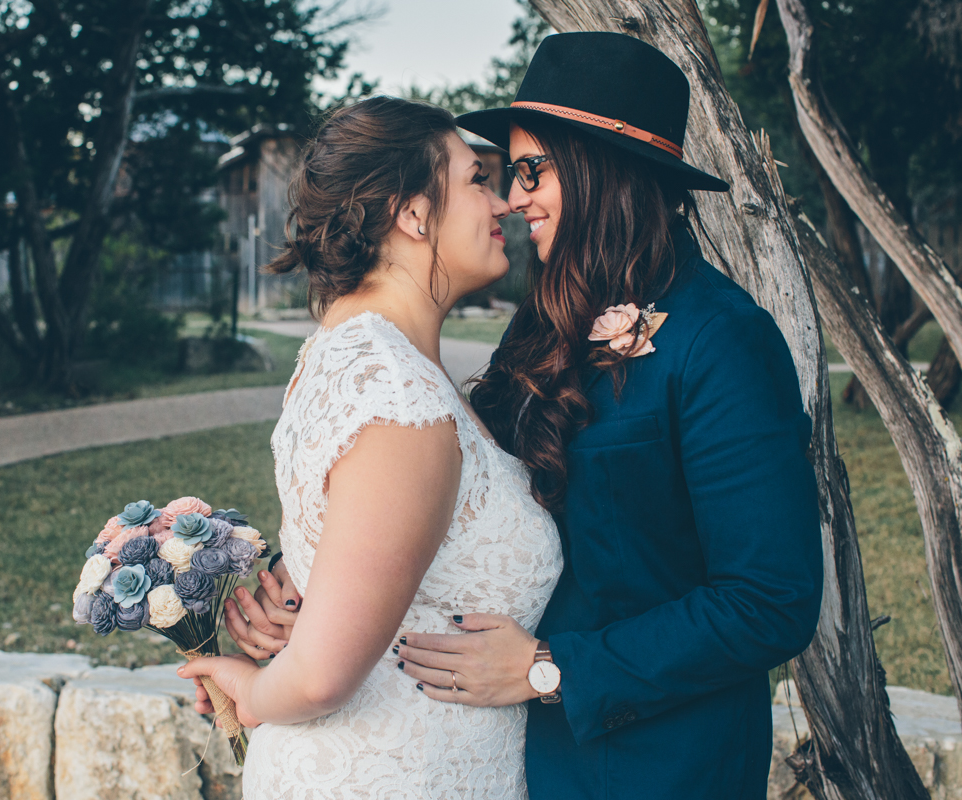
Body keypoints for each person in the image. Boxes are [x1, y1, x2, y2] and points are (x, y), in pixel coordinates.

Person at [226, 34, 823, 799]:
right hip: (515, 762)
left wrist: (552, 669)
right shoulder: (543, 324)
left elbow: (770, 599)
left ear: (604, 168)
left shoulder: (722, 339)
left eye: (531, 170)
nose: (514, 198)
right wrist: (308, 571)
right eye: (503, 175)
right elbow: (442, 491)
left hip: (657, 767)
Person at [178, 95, 564, 799]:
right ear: (414, 214)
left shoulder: (355, 358)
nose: (502, 202)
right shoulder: (396, 393)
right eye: (477, 179)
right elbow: (323, 675)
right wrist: (251, 689)